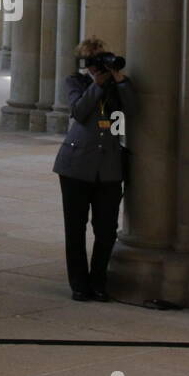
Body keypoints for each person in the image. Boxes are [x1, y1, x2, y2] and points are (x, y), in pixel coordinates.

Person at [52, 38, 134, 301]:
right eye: (95, 60)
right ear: (86, 63)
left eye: (103, 57)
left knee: (106, 229)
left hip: (108, 167)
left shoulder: (117, 85)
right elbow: (79, 111)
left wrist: (119, 79)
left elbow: (132, 110)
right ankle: (79, 283)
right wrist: (97, 84)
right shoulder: (76, 82)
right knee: (75, 228)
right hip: (75, 166)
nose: (100, 65)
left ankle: (99, 281)